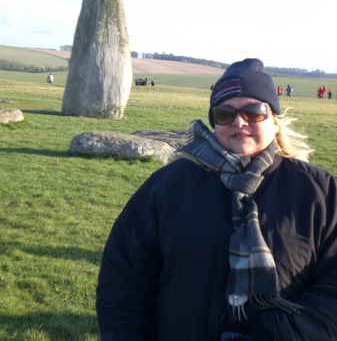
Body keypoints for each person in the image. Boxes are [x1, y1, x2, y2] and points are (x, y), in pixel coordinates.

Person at [96, 58, 337, 341]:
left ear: (274, 118)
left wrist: (281, 334)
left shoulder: (317, 191)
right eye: (224, 114)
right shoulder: (167, 186)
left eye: (254, 112)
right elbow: (124, 278)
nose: (239, 121)